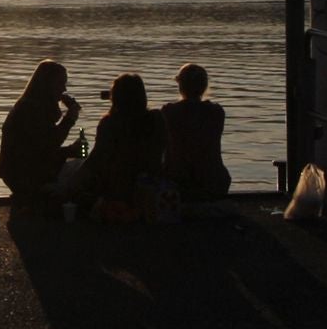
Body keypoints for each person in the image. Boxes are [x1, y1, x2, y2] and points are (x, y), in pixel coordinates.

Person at [76, 72, 163, 218]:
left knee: (73, 170)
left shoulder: (109, 123)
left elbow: (95, 159)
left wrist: (75, 181)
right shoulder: (157, 119)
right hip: (150, 184)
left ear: (115, 98)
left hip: (117, 190)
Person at [0, 59, 83, 202]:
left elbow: (41, 149)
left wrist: (70, 150)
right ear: (48, 85)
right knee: (83, 168)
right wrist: (69, 120)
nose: (64, 89)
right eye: (61, 83)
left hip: (19, 173)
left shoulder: (29, 106)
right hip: (25, 177)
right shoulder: (31, 111)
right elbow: (45, 149)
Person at [158, 62, 231, 202]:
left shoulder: (169, 112)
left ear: (180, 86)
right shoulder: (216, 112)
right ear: (204, 87)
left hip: (177, 183)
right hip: (213, 182)